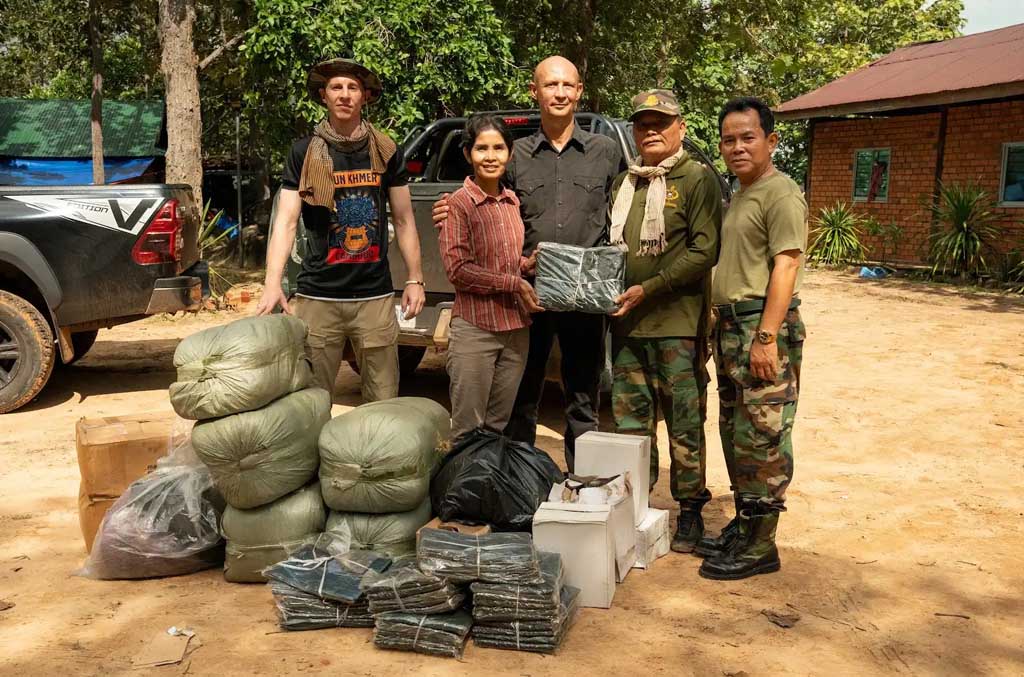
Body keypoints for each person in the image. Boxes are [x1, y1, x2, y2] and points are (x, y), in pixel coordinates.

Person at [433, 56, 622, 469]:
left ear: (579, 92)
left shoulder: (605, 152)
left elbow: (624, 209)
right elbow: (488, 198)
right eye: (550, 85)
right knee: (522, 400)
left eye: (567, 85)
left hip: (584, 298)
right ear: (534, 92)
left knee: (583, 402)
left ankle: (582, 486)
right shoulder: (515, 154)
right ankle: (519, 483)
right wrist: (448, 207)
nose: (559, 93)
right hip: (529, 297)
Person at [255, 58, 425, 402]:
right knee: (310, 400)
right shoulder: (303, 152)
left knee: (383, 400)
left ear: (365, 96)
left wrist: (415, 278)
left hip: (374, 295)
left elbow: (405, 219)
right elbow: (287, 221)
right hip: (318, 295)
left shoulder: (386, 150)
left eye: (352, 88)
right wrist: (272, 282)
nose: (344, 95)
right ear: (324, 96)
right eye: (336, 87)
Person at [698, 96, 807, 581]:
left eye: (748, 137)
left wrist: (766, 336)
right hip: (732, 326)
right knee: (736, 432)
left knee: (763, 436)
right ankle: (746, 526)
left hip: (760, 326)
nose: (737, 147)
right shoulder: (741, 193)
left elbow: (787, 264)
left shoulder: (780, 193)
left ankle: (762, 546)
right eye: (728, 139)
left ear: (771, 141)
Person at [608, 90, 721, 554]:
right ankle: (636, 510)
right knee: (631, 427)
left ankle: (690, 510)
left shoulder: (697, 179)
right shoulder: (626, 183)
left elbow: (704, 251)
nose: (651, 130)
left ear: (681, 126)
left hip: (677, 326)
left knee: (684, 424)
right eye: (642, 124)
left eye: (661, 122)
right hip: (627, 329)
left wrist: (648, 289)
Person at [439, 114, 544, 440]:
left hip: (515, 332)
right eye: (481, 148)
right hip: (476, 331)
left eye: (498, 148)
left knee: (498, 428)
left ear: (510, 154)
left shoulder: (512, 202)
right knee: (467, 430)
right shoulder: (458, 204)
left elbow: (506, 261)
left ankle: (487, 490)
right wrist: (514, 282)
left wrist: (527, 265)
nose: (490, 156)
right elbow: (458, 270)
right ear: (468, 154)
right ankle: (460, 491)